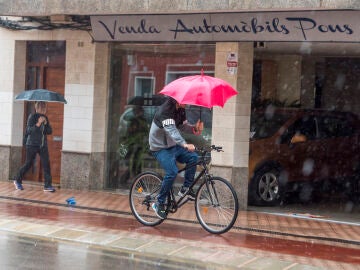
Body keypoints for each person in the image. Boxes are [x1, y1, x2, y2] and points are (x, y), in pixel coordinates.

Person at [149, 97, 203, 219]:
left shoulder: (181, 110)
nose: (188, 103)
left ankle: (186, 188)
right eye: (186, 100)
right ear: (178, 100)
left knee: (193, 158)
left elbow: (182, 126)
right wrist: (184, 144)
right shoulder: (165, 111)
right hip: (160, 148)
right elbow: (172, 131)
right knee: (172, 172)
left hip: (173, 146)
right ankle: (159, 203)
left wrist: (194, 128)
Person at [14, 101, 55, 192]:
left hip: (42, 145)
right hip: (31, 144)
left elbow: (49, 131)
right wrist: (38, 124)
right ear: (37, 108)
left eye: (45, 108)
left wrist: (45, 123)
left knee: (46, 164)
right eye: (42, 108)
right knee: (29, 163)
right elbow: (29, 131)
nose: (44, 110)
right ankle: (17, 180)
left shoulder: (45, 118)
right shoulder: (32, 117)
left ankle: (47, 186)